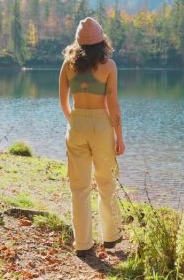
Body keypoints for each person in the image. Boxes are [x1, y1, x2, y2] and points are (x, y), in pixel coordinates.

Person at [59, 17, 125, 257]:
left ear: (78, 42)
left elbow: (63, 101)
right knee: (106, 183)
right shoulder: (109, 66)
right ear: (102, 42)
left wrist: (74, 121)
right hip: (101, 124)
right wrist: (119, 137)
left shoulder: (68, 64)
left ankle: (83, 245)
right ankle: (110, 237)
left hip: (76, 123)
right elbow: (114, 106)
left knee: (79, 187)